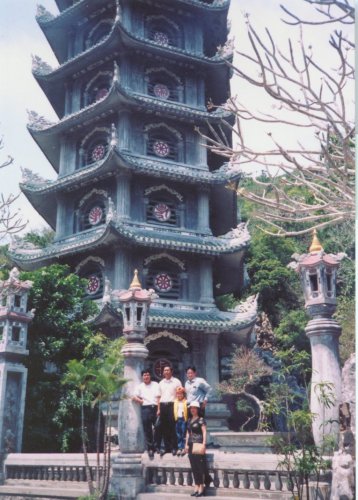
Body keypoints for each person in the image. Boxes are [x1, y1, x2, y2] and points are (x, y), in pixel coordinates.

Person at [133, 369, 160, 458]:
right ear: (142, 377)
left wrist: (159, 409)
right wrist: (141, 401)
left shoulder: (155, 385)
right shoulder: (140, 386)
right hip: (145, 408)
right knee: (147, 429)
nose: (146, 377)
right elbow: (133, 396)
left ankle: (156, 447)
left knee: (158, 427)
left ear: (150, 376)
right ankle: (150, 449)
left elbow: (159, 397)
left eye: (148, 375)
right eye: (144, 375)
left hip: (155, 408)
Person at [185, 401, 209, 497]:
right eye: (191, 408)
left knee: (199, 466)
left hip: (198, 443)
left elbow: (204, 432)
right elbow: (188, 433)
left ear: (198, 409)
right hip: (191, 444)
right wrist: (186, 444)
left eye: (194, 408)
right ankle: (196, 485)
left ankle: (201, 487)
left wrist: (204, 444)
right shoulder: (189, 420)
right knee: (193, 466)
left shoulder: (201, 420)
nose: (192, 409)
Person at [157, 365, 182, 456]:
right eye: (165, 370)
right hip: (163, 406)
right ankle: (167, 448)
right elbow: (159, 397)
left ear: (171, 371)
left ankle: (174, 448)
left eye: (168, 370)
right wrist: (159, 409)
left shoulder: (176, 381)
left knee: (173, 427)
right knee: (164, 428)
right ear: (163, 372)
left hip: (173, 405)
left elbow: (181, 394)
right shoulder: (161, 383)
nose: (166, 372)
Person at [173, 386, 188, 456]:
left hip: (183, 419)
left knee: (183, 434)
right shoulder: (175, 401)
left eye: (181, 394)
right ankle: (179, 448)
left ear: (183, 394)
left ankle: (184, 448)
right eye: (178, 394)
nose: (179, 395)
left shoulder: (185, 401)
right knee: (178, 434)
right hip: (177, 419)